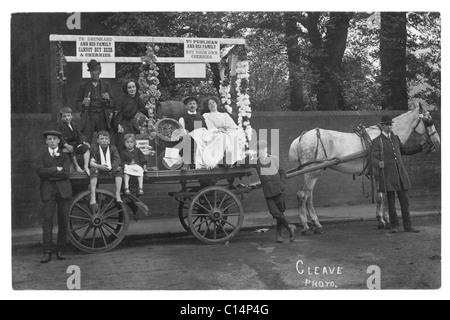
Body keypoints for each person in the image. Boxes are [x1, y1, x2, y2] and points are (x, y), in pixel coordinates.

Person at [371, 115, 425, 234]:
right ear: (382, 126)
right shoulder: (376, 141)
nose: (390, 126)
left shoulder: (395, 138)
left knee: (405, 202)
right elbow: (373, 158)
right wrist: (378, 163)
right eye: (387, 124)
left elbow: (405, 150)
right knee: (391, 203)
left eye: (391, 124)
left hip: (400, 175)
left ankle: (408, 227)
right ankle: (394, 226)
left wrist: (420, 146)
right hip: (388, 176)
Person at [36, 130, 72, 263]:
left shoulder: (65, 156)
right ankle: (47, 252)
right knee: (47, 222)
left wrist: (49, 174)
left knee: (63, 221)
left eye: (54, 139)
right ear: (46, 141)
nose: (52, 141)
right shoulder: (42, 156)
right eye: (49, 139)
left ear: (58, 141)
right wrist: (56, 169)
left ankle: (61, 250)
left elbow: (66, 173)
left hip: (64, 191)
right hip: (47, 192)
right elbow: (40, 172)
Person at [251, 140, 296, 243]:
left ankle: (279, 236)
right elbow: (244, 162)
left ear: (266, 148)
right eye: (259, 149)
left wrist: (282, 184)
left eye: (263, 148)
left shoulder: (273, 159)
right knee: (274, 212)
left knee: (279, 213)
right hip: (268, 192)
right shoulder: (256, 161)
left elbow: (282, 172)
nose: (261, 151)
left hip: (278, 189)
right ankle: (290, 227)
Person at [190, 96, 246, 169]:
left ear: (216, 104)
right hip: (215, 133)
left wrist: (226, 130)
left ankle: (233, 159)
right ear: (207, 107)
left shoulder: (224, 115)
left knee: (235, 135)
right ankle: (223, 159)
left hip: (227, 131)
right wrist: (219, 129)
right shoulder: (206, 115)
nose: (212, 104)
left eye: (213, 102)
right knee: (222, 137)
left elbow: (231, 125)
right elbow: (210, 127)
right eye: (209, 104)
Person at [76, 60, 114, 144]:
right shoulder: (83, 86)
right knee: (85, 141)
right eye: (92, 71)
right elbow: (77, 104)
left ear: (99, 72)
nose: (94, 73)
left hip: (102, 116)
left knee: (103, 140)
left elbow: (112, 104)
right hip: (89, 115)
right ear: (90, 73)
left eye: (96, 71)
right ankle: (87, 156)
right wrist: (83, 103)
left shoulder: (106, 85)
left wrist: (108, 99)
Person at [113, 79, 147, 151]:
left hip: (130, 123)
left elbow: (145, 110)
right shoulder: (122, 99)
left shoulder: (138, 99)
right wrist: (118, 125)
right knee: (123, 139)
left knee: (132, 141)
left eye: (133, 87)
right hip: (121, 122)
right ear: (126, 89)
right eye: (130, 88)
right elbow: (117, 113)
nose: (132, 89)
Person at [89, 131, 123, 205]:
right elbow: (92, 162)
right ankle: (93, 195)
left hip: (110, 168)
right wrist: (99, 166)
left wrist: (110, 168)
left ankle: (118, 193)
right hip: (99, 168)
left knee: (119, 170)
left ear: (109, 140)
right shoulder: (94, 148)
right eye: (101, 139)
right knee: (93, 170)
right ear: (98, 140)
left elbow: (117, 160)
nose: (104, 140)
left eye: (106, 138)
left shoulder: (113, 148)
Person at [56, 107, 91, 175]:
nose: (67, 118)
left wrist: (84, 142)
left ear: (71, 116)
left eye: (68, 115)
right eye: (64, 116)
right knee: (70, 150)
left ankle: (86, 166)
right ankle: (77, 166)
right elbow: (60, 137)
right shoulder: (60, 126)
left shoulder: (74, 125)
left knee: (86, 147)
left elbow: (79, 135)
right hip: (65, 146)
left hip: (75, 145)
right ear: (61, 118)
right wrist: (66, 145)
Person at [178, 96, 207, 170]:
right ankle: (187, 163)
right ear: (186, 106)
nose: (192, 105)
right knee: (187, 138)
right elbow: (182, 131)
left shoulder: (200, 117)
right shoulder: (183, 118)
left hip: (201, 138)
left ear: (196, 106)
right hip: (189, 139)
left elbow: (204, 129)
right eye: (190, 104)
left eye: (194, 104)